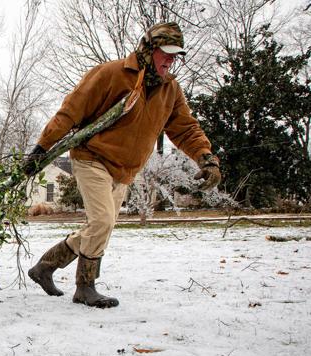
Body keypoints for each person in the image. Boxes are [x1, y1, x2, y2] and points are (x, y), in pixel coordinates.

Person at [23, 22, 221, 308]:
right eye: (165, 53)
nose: (170, 60)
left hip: (125, 171)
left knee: (97, 228)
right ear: (148, 49)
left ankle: (44, 267)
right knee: (102, 222)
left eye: (175, 55)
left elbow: (186, 129)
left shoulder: (170, 90)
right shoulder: (112, 74)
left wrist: (206, 157)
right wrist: (41, 149)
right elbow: (71, 111)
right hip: (92, 159)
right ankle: (85, 287)